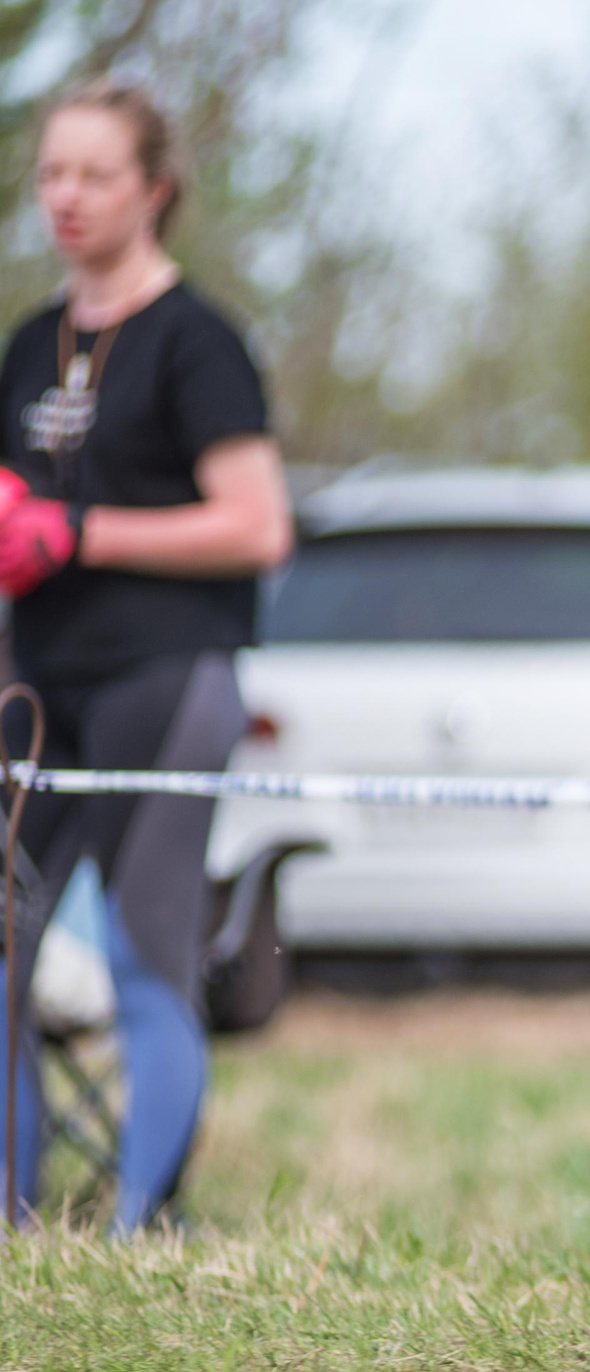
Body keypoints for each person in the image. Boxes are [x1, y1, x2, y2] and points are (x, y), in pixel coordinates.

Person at [0, 81, 293, 1229]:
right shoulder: (30, 343)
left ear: (154, 190)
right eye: (51, 173)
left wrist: (81, 532)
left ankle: (142, 1223)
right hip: (36, 692)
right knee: (5, 953)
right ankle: (15, 1227)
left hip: (168, 682)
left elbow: (257, 523)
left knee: (140, 950)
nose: (66, 198)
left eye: (95, 175)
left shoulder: (197, 341)